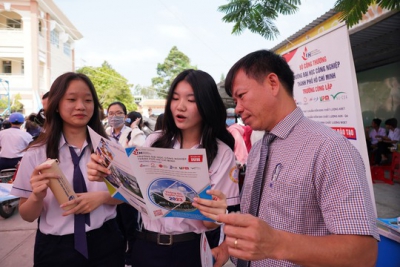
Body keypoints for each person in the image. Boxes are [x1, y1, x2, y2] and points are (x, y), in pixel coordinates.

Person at [212, 50, 379, 267]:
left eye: (241, 96)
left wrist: (276, 244)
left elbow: (363, 254)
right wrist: (229, 247)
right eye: (235, 100)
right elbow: (257, 219)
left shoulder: (329, 148)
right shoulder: (258, 149)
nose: (238, 108)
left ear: (273, 83)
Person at [87, 69, 240, 267]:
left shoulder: (221, 153)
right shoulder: (155, 140)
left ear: (207, 104)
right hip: (146, 245)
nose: (180, 106)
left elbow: (212, 224)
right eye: (175, 98)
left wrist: (215, 215)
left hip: (190, 250)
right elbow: (134, 192)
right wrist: (107, 175)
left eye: (191, 100)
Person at [10, 72, 124, 266]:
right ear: (56, 105)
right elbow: (27, 215)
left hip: (106, 241)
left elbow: (129, 196)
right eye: (71, 99)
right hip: (56, 248)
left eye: (88, 100)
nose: (81, 106)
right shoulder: (36, 154)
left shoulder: (110, 149)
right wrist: (37, 196)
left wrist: (102, 197)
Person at [106, 106, 145, 267]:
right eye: (111, 114)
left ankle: (132, 258)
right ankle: (119, 257)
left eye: (118, 113)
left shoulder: (133, 133)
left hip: (129, 187)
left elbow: (142, 153)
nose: (114, 117)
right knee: (115, 226)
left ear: (125, 116)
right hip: (109, 187)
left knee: (131, 226)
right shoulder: (104, 133)